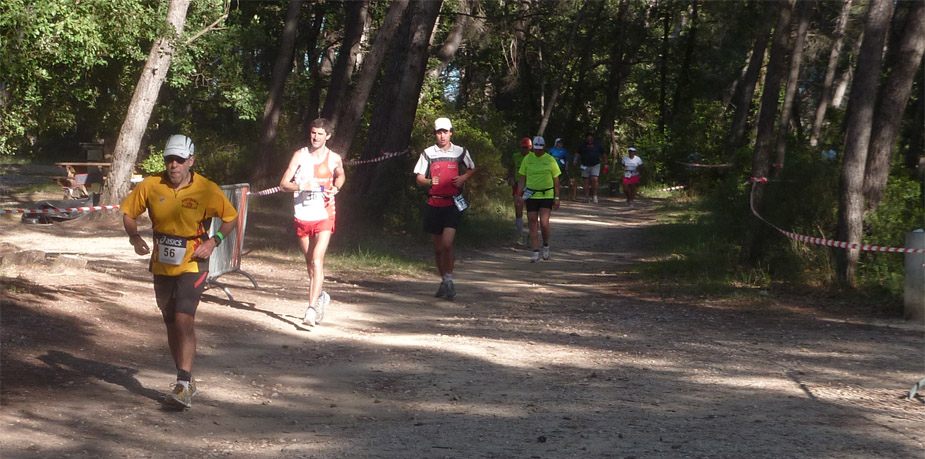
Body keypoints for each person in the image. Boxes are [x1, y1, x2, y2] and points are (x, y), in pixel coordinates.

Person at [121, 135, 239, 409]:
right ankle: (184, 378)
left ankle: (183, 384)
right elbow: (128, 212)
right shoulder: (151, 185)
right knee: (171, 323)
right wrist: (134, 237)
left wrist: (214, 242)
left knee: (184, 319)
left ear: (191, 162)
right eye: (169, 160)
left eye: (179, 160)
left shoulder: (206, 189)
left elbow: (231, 217)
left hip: (193, 263)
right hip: (162, 264)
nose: (173, 165)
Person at [278, 118, 346, 326]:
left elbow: (341, 176)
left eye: (320, 134)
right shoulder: (300, 155)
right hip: (302, 214)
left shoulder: (334, 158)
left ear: (328, 136)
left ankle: (310, 309)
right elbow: (283, 184)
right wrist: (300, 186)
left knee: (317, 260)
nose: (315, 137)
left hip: (325, 214)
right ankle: (321, 296)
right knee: (309, 263)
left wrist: (336, 187)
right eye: (313, 133)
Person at [414, 117, 476, 299]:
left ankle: (449, 279)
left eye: (445, 132)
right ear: (435, 134)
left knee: (447, 243)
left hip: (453, 203)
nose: (442, 136)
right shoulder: (428, 153)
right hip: (434, 203)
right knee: (438, 248)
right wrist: (428, 181)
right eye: (439, 132)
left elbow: (472, 167)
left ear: (451, 132)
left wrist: (464, 178)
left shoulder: (460, 152)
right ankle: (444, 281)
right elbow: (418, 178)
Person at [515, 136, 561, 262]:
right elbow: (522, 178)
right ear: (533, 148)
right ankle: (535, 251)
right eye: (536, 149)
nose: (538, 151)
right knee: (532, 221)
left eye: (540, 149)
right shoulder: (527, 159)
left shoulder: (550, 160)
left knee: (544, 223)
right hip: (531, 194)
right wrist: (519, 195)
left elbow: (556, 181)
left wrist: (556, 197)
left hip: (546, 194)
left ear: (544, 148)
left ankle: (545, 245)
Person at [508, 137, 532, 244]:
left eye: (526, 148)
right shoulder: (515, 156)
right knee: (518, 211)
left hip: (531, 187)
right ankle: (520, 235)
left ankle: (531, 235)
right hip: (518, 186)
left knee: (531, 213)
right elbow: (511, 168)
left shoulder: (534, 157)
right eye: (523, 148)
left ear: (531, 147)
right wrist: (510, 177)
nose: (524, 150)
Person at [574, 132, 606, 203]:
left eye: (590, 138)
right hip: (585, 165)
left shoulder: (598, 145)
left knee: (594, 179)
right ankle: (586, 197)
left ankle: (594, 195)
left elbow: (603, 153)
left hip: (595, 165)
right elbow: (577, 153)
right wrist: (575, 160)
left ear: (593, 138)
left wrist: (605, 162)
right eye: (588, 138)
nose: (589, 140)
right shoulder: (582, 145)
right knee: (586, 181)